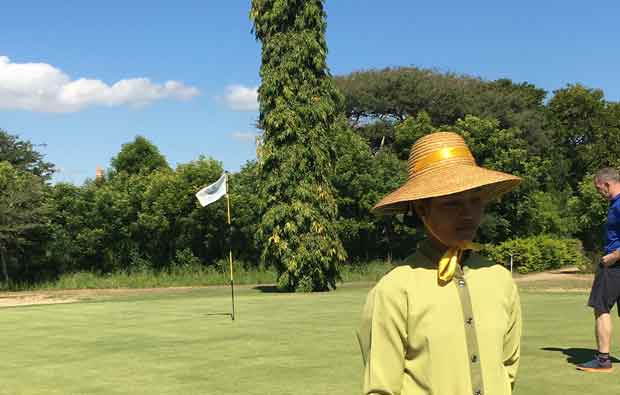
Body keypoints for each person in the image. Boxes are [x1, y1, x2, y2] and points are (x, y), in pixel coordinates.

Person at [357, 131, 522, 395]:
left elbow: (508, 368)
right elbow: (381, 388)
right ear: (422, 208)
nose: (468, 214)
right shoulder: (395, 290)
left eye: (475, 199)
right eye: (452, 203)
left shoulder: (499, 279)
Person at [577, 167, 620, 372]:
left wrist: (613, 256)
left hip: (614, 266)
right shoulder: (615, 204)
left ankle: (603, 361)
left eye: (598, 188)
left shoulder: (619, 204)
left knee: (601, 308)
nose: (599, 193)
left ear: (607, 184)